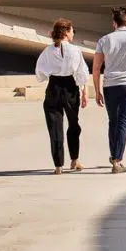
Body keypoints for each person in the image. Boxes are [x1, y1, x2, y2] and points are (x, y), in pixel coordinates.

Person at [93, 7, 126, 174]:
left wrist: (97, 91)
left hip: (110, 86)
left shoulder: (104, 40)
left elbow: (96, 68)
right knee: (123, 122)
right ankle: (117, 160)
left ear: (114, 23)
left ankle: (114, 155)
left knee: (113, 121)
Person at [35, 18, 89, 174]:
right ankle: (74, 159)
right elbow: (82, 74)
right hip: (70, 88)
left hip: (53, 87)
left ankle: (58, 165)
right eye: (72, 30)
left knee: (54, 127)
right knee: (73, 124)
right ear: (66, 32)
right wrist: (84, 92)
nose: (73, 33)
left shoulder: (48, 51)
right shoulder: (76, 50)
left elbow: (40, 74)